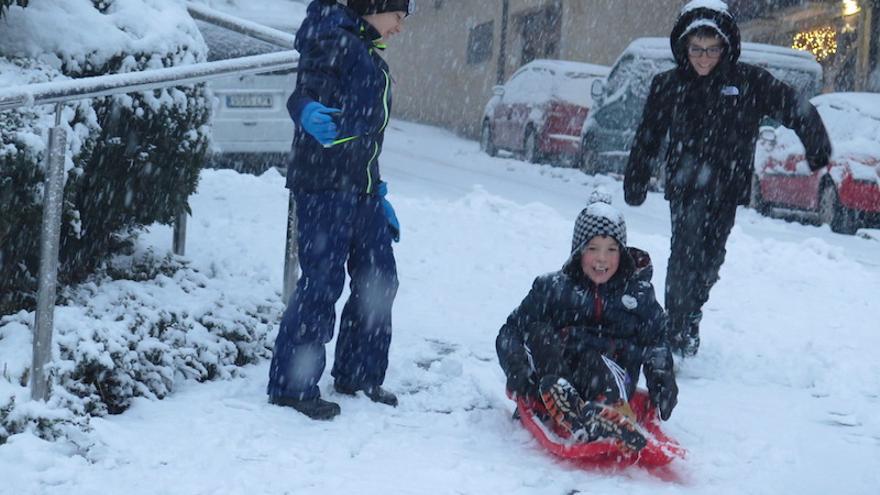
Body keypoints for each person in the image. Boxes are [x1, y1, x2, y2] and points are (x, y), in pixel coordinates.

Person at [624, 1, 831, 357]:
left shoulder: (748, 82)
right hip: (686, 185)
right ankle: (676, 328)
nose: (704, 58)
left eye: (712, 50)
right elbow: (649, 135)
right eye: (696, 49)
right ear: (684, 48)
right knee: (685, 254)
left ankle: (690, 314)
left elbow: (797, 108)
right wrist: (637, 179)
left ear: (726, 48)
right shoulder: (668, 85)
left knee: (710, 260)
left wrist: (817, 149)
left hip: (728, 187)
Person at [267, 0, 412, 420]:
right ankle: (292, 387)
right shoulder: (330, 35)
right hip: (324, 184)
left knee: (378, 277)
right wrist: (306, 111)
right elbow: (304, 92)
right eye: (398, 17)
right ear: (374, 7)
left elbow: (364, 131)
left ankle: (359, 373)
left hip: (361, 187)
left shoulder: (366, 52)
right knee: (322, 282)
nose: (400, 27)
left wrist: (377, 190)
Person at [496, 192, 678, 451]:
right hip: (558, 373)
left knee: (596, 361)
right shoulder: (554, 288)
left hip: (611, 374)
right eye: (593, 248)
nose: (602, 259)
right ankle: (562, 400)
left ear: (622, 253)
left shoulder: (637, 296)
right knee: (538, 333)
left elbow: (655, 340)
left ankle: (608, 414)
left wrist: (661, 377)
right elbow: (511, 332)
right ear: (578, 251)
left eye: (611, 250)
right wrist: (518, 369)